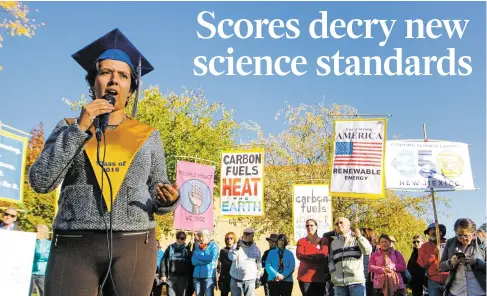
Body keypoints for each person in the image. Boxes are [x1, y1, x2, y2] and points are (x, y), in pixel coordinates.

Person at [28, 28, 180, 296]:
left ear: (131, 88)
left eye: (123, 75)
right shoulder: (68, 127)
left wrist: (168, 201)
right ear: (92, 82)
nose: (114, 80)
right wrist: (80, 129)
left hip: (134, 244)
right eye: (105, 72)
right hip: (74, 242)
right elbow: (40, 182)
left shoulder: (147, 135)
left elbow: (159, 191)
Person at [440, 218, 486, 296]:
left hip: (478, 291)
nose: (463, 238)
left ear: (473, 233)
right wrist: (451, 262)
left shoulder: (482, 243)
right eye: (459, 235)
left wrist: (476, 262)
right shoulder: (450, 243)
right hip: (456, 291)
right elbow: (441, 266)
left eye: (466, 235)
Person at [329, 217, 372, 296]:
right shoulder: (333, 243)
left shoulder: (357, 238)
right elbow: (331, 260)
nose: (339, 225)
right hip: (339, 283)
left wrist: (359, 237)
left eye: (341, 223)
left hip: (356, 282)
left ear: (348, 225)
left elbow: (367, 251)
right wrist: (333, 272)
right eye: (336, 224)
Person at [296, 218, 329, 296]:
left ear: (316, 227)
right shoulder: (301, 241)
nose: (309, 227)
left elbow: (323, 255)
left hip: (320, 277)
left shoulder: (324, 241)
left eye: (311, 225)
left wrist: (307, 255)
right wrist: (317, 255)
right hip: (305, 277)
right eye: (307, 226)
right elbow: (300, 255)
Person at [229, 227, 262, 296]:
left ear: (252, 236)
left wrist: (258, 277)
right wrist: (237, 248)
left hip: (250, 279)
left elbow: (259, 265)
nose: (246, 236)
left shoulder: (256, 249)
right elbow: (231, 257)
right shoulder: (236, 246)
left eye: (248, 234)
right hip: (236, 279)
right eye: (245, 234)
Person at [418, 223, 449, 296]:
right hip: (433, 281)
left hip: (450, 280)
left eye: (434, 230)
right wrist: (433, 253)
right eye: (430, 231)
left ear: (441, 232)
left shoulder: (449, 243)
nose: (431, 232)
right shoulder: (424, 246)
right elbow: (422, 263)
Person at [161, 231, 193, 296]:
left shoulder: (187, 250)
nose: (179, 239)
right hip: (171, 277)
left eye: (182, 238)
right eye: (178, 237)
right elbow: (163, 261)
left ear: (184, 239)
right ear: (176, 238)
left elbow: (191, 265)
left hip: (183, 278)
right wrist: (163, 274)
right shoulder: (170, 248)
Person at [191, 228, 219, 296]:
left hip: (208, 277)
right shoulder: (198, 247)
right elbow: (193, 261)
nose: (201, 238)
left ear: (208, 236)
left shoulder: (214, 246)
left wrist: (198, 257)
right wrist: (204, 261)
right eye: (200, 236)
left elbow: (211, 259)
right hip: (197, 277)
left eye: (202, 236)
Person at [29, 224, 51, 296]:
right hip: (30, 272)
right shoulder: (31, 242)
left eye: (39, 231)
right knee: (27, 292)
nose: (37, 233)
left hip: (43, 273)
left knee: (44, 292)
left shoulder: (49, 243)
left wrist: (39, 256)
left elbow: (49, 256)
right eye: (36, 231)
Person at [218, 232, 237, 296]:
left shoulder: (237, 251)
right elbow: (223, 262)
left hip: (234, 276)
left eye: (231, 238)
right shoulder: (223, 250)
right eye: (227, 238)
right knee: (224, 294)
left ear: (234, 239)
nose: (229, 240)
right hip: (225, 276)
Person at [362, 228, 378, 296]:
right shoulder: (360, 245)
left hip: (371, 277)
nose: (361, 235)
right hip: (361, 276)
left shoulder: (376, 248)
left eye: (363, 234)